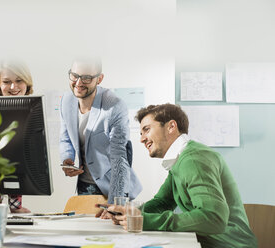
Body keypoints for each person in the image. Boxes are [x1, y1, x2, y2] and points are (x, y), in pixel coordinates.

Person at [107, 103, 257, 248]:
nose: (141, 139)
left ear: (171, 127)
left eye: (147, 130)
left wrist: (144, 221)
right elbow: (162, 202)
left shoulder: (193, 159)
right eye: (141, 133)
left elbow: (214, 219)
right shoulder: (180, 160)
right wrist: (128, 213)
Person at [59, 57, 142, 204]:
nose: (78, 83)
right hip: (84, 185)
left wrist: (116, 203)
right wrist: (67, 159)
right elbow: (65, 138)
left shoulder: (114, 106)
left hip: (112, 186)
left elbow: (120, 158)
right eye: (74, 76)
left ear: (99, 79)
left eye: (86, 78)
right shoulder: (66, 100)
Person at [0, 59, 33, 213]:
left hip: (11, 175)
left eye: (19, 80)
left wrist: (15, 207)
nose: (13, 87)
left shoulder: (29, 106)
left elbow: (17, 157)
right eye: (6, 82)